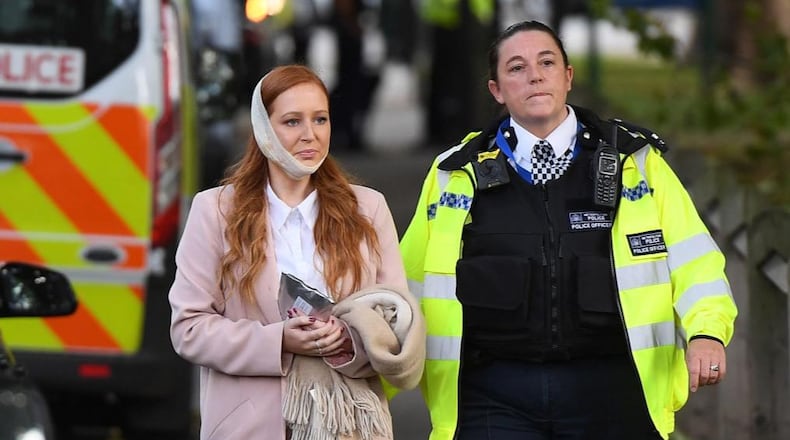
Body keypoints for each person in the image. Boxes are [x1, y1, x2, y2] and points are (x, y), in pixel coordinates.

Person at [400, 20, 738, 440]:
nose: (535, 75)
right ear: (497, 91)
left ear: (568, 76)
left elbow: (695, 262)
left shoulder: (636, 163)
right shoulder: (454, 173)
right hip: (493, 396)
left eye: (546, 62)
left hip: (614, 391)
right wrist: (367, 369)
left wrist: (706, 332)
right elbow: (405, 287)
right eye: (517, 68)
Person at [168, 64, 425, 440]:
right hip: (248, 427)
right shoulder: (215, 211)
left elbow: (396, 320)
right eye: (292, 122)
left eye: (320, 119)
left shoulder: (368, 208)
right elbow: (188, 328)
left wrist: (349, 341)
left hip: (349, 425)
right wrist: (279, 341)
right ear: (263, 128)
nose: (310, 135)